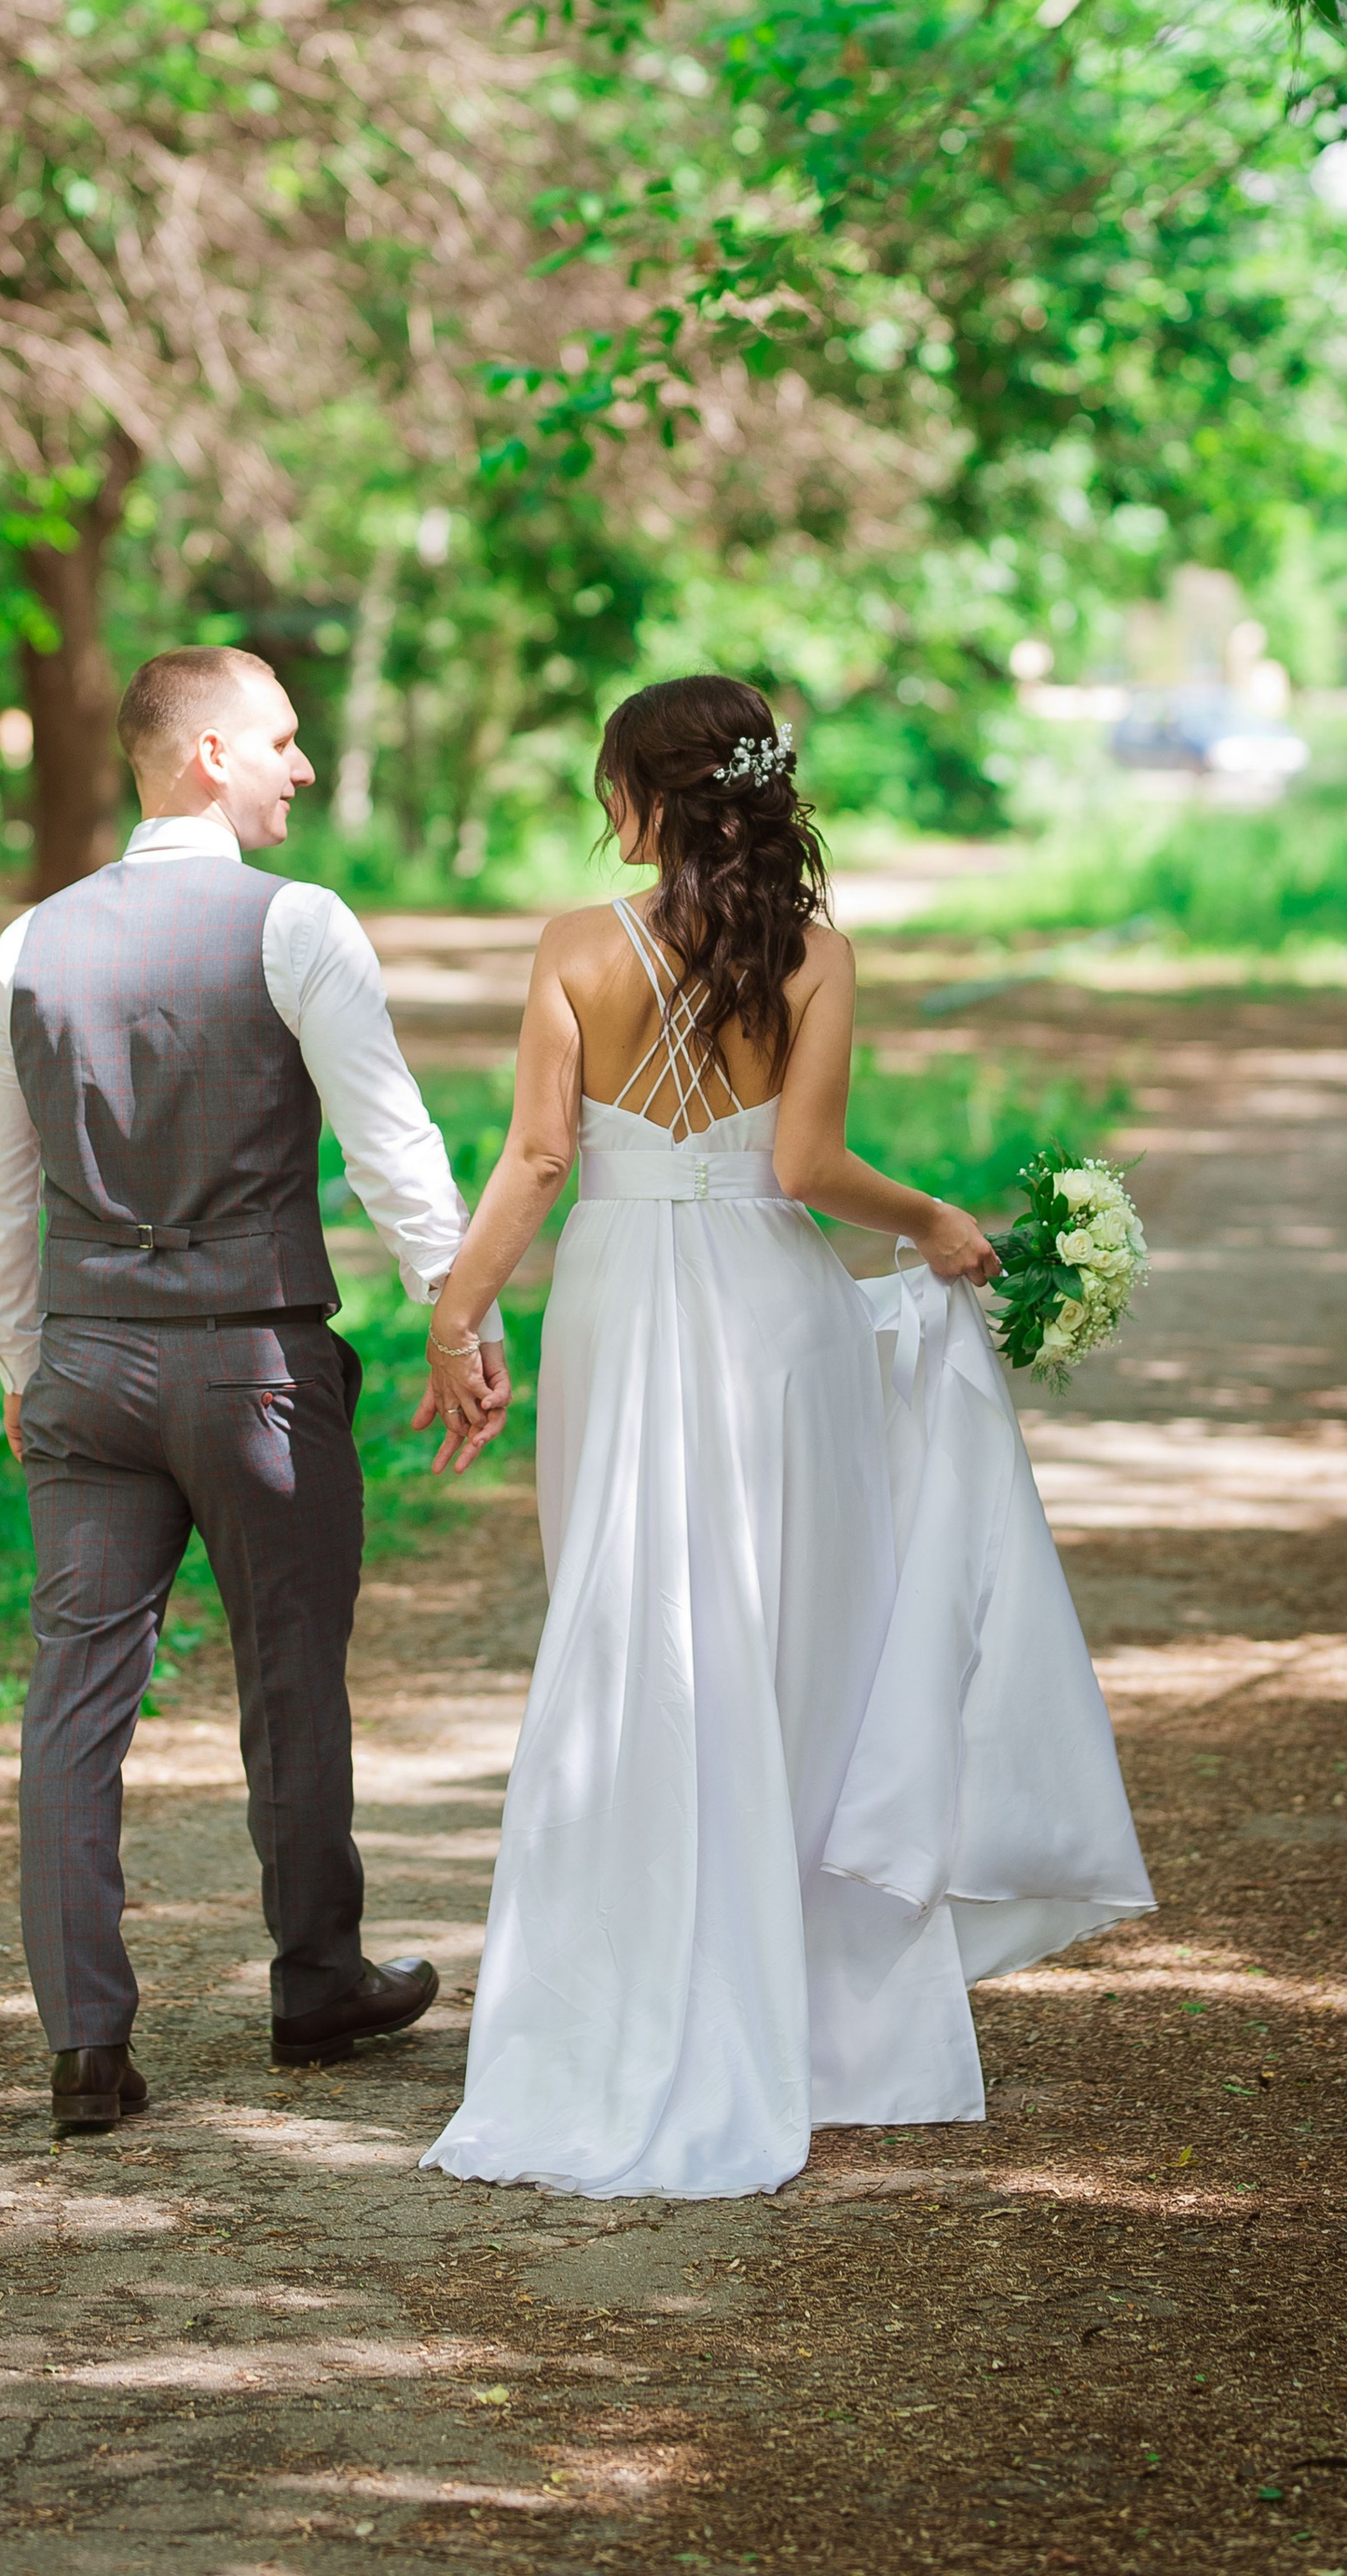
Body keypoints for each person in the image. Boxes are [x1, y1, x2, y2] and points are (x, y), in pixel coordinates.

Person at [421, 673, 1153, 2200]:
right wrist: (938, 1219)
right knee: (797, 1648)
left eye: (608, 783)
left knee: (631, 1631)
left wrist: (456, 1312)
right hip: (772, 1311)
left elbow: (543, 1156)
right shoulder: (814, 955)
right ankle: (821, 2026)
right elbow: (809, 1166)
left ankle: (625, 2006)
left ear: (645, 795)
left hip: (623, 1311)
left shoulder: (574, 946)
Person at [0, 644, 509, 2137]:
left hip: (86, 1362)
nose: (301, 766)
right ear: (207, 756)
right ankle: (315, 1982)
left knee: (74, 1702)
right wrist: (456, 1314)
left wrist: (19, 1359)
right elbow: (392, 1143)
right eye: (278, 740)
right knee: (287, 1678)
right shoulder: (299, 925)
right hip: (256, 1362)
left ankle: (85, 2044)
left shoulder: (25, 947)